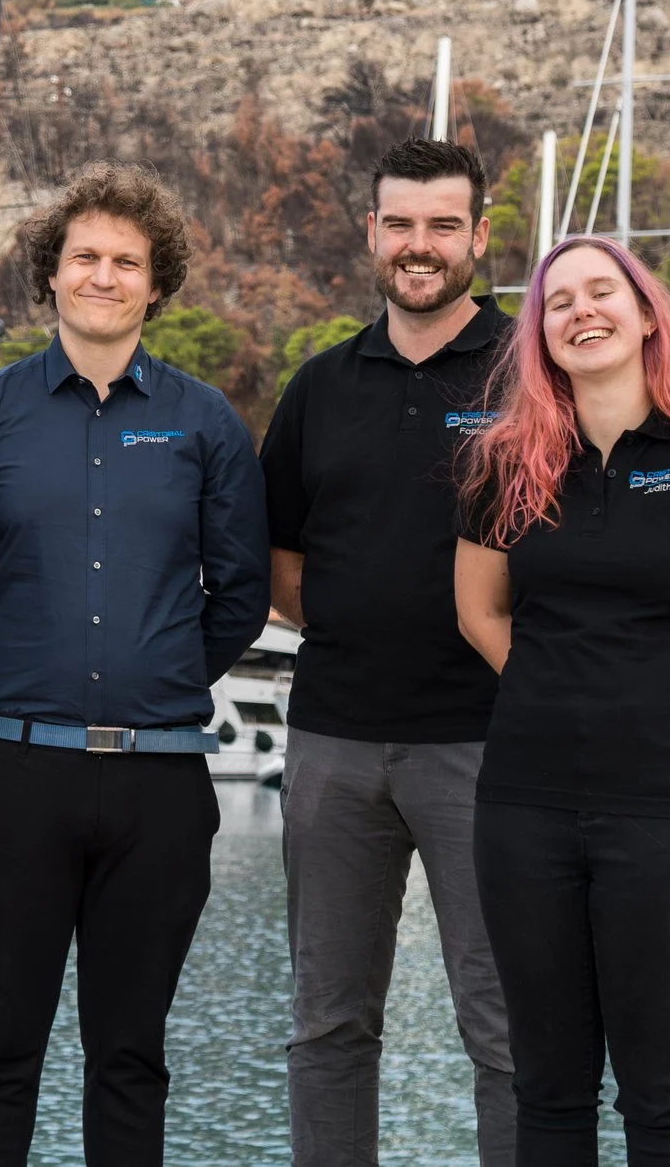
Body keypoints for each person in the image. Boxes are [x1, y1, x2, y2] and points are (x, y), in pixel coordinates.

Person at [0, 162, 270, 1167]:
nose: (104, 275)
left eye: (127, 259)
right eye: (85, 256)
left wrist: (153, 678)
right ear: (51, 273)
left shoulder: (206, 423)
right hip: (14, 776)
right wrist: (32, 672)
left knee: (130, 1055)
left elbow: (238, 593)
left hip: (161, 780)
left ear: (157, 280)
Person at [454, 235, 670, 1167]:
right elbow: (479, 612)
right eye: (557, 302)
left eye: (602, 292)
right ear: (539, 333)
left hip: (662, 808)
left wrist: (648, 702)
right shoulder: (501, 464)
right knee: (548, 1087)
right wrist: (561, 692)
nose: (580, 311)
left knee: (663, 1088)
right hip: (523, 806)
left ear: (647, 314)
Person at [260, 137, 516, 1167]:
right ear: (371, 232)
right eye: (400, 223)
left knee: (504, 1026)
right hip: (333, 743)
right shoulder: (321, 385)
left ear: (479, 236)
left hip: (488, 744)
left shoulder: (531, 371)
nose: (420, 245)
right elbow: (282, 561)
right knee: (327, 1022)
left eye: (442, 224)